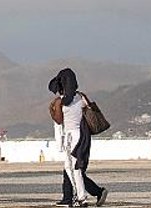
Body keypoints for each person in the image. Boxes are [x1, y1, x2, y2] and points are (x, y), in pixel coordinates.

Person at [50, 68, 105, 207]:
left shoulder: (60, 101)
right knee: (76, 168)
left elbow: (58, 120)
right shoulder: (81, 97)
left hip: (70, 136)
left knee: (71, 168)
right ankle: (79, 197)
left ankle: (79, 198)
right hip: (82, 135)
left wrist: (52, 110)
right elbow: (89, 109)